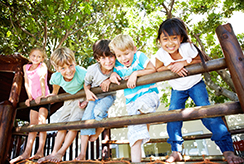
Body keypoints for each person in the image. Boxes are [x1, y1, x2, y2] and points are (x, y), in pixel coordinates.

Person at [155, 17, 244, 164]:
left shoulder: (187, 48)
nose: (169, 43)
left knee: (208, 113)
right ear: (159, 41)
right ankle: (176, 151)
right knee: (173, 115)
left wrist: (184, 62)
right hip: (177, 88)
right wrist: (171, 66)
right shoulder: (160, 54)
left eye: (174, 38)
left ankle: (228, 151)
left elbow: (203, 59)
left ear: (181, 38)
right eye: (165, 39)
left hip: (196, 84)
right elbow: (158, 68)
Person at [109, 34, 160, 163]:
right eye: (119, 55)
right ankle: (136, 161)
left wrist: (136, 73)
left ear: (134, 49)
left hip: (148, 95)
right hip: (131, 101)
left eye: (126, 54)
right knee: (134, 135)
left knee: (142, 108)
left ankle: (144, 117)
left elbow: (152, 69)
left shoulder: (139, 57)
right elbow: (114, 73)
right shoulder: (118, 65)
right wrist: (113, 75)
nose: (123, 58)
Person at [37, 47, 88, 163]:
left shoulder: (82, 73)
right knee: (61, 125)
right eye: (63, 68)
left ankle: (61, 152)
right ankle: (54, 152)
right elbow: (55, 85)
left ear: (75, 62)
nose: (68, 70)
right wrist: (54, 94)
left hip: (81, 96)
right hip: (68, 98)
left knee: (74, 123)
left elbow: (90, 86)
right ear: (56, 68)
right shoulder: (56, 77)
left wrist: (87, 100)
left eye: (70, 65)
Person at [74, 39, 116, 161]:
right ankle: (82, 153)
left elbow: (121, 76)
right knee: (86, 119)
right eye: (103, 58)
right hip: (94, 97)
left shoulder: (117, 67)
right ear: (97, 59)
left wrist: (109, 80)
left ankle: (99, 131)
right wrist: (87, 93)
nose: (107, 61)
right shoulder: (92, 69)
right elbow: (86, 84)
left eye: (110, 56)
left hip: (109, 96)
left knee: (99, 110)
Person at [10, 48, 50, 164]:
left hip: (43, 98)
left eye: (38, 57)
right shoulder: (25, 67)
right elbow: (27, 83)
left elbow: (42, 79)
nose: (36, 58)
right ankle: (26, 152)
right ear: (30, 56)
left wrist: (42, 96)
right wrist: (30, 97)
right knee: (32, 126)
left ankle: (40, 151)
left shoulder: (42, 66)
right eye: (33, 55)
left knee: (42, 124)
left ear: (42, 59)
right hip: (33, 99)